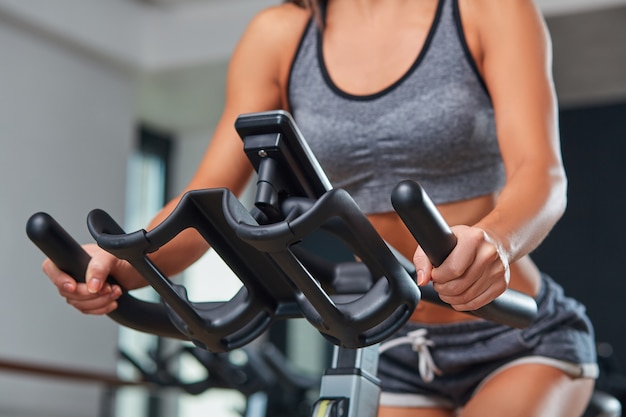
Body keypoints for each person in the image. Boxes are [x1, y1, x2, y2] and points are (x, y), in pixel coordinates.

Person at [43, 0, 598, 416]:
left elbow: (541, 176)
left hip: (515, 333)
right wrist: (110, 265)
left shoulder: (486, 9)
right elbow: (201, 208)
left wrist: (496, 240)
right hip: (391, 336)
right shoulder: (283, 35)